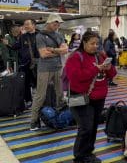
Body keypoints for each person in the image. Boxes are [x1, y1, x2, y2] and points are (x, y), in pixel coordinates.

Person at [65, 31, 116, 163]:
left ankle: (88, 153)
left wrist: (109, 67)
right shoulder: (75, 57)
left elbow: (112, 74)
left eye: (97, 43)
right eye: (92, 43)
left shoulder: (100, 55)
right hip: (80, 97)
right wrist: (96, 69)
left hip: (99, 97)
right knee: (85, 127)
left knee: (93, 127)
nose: (95, 46)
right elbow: (75, 77)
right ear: (84, 43)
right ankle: (80, 156)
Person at [30, 14, 68, 130]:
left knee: (60, 94)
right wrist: (58, 51)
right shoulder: (40, 36)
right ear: (49, 23)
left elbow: (65, 50)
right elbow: (43, 54)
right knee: (40, 96)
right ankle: (34, 121)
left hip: (57, 67)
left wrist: (52, 49)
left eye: (58, 24)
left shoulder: (59, 35)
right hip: (44, 69)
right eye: (54, 23)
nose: (57, 25)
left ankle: (60, 117)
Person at [12, 19, 40, 107]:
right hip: (25, 64)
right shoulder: (23, 36)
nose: (26, 26)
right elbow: (15, 46)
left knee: (39, 83)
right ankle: (28, 100)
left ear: (34, 25)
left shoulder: (40, 35)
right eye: (25, 25)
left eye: (28, 24)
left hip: (38, 63)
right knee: (25, 83)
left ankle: (40, 101)